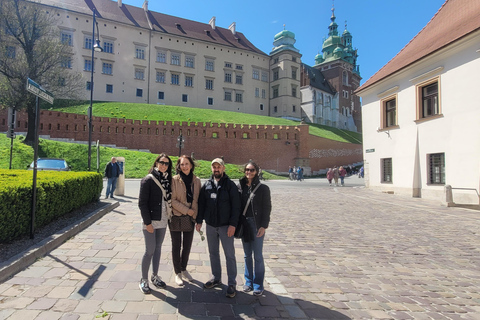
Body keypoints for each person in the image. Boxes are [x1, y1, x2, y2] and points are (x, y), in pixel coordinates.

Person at [196, 158, 241, 298]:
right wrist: (199, 221)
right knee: (213, 253)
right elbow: (201, 204)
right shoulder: (207, 185)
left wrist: (233, 224)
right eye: (214, 167)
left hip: (225, 226)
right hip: (211, 225)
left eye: (219, 167)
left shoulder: (230, 185)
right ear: (211, 168)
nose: (216, 169)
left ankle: (232, 283)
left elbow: (236, 207)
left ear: (223, 168)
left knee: (229, 255)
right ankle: (216, 278)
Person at [138, 153, 172, 294]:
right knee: (149, 251)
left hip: (163, 220)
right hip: (151, 221)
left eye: (166, 163)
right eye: (161, 162)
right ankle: (143, 280)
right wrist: (148, 223)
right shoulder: (148, 180)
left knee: (158, 249)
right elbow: (142, 204)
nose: (163, 165)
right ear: (156, 163)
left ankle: (155, 276)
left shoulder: (167, 179)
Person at [238, 161, 271, 296]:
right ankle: (248, 282)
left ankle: (258, 284)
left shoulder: (263, 189)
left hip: (256, 224)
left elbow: (267, 208)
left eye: (251, 170)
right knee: (247, 255)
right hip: (245, 224)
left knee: (257, 255)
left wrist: (264, 226)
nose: (249, 172)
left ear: (256, 171)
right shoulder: (241, 187)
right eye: (247, 170)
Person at [170, 155, 201, 286]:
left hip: (191, 218)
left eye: (186, 164)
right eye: (182, 164)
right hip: (177, 216)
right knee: (176, 246)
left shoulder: (197, 180)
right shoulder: (174, 180)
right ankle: (177, 273)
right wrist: (186, 210)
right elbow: (172, 200)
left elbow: (199, 199)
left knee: (187, 246)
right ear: (179, 166)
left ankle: (183, 269)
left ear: (191, 165)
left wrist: (197, 217)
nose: (184, 166)